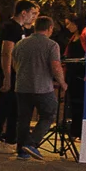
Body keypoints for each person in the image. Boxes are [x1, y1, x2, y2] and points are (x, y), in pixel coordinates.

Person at [9, 13, 65, 160]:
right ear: (50, 28)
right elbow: (56, 66)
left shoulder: (21, 43)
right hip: (42, 87)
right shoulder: (51, 45)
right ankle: (31, 144)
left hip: (21, 86)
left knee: (23, 119)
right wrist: (62, 82)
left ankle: (21, 150)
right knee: (48, 114)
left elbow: (14, 64)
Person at [0, 1, 35, 148]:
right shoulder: (11, 27)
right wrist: (7, 77)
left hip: (15, 72)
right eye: (32, 13)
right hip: (10, 73)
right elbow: (6, 53)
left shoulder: (20, 28)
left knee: (13, 107)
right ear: (23, 12)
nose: (33, 17)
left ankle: (10, 137)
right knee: (6, 106)